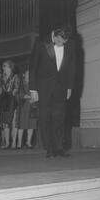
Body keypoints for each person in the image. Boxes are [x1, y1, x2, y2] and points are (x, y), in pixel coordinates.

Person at [29, 23, 76, 158]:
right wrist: (33, 89)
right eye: (59, 40)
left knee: (59, 118)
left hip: (61, 88)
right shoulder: (41, 44)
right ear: (53, 35)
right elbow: (33, 67)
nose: (61, 43)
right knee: (45, 118)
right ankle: (49, 149)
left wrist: (69, 87)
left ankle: (59, 148)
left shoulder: (70, 46)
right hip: (43, 88)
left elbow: (72, 67)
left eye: (64, 41)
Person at [0, 60, 20, 149]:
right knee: (5, 123)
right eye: (3, 66)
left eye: (6, 66)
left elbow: (16, 88)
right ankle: (7, 143)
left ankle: (14, 142)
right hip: (3, 101)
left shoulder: (15, 77)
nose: (4, 68)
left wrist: (10, 93)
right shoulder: (0, 78)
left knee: (14, 122)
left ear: (11, 67)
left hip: (12, 101)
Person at [16, 69, 38, 149]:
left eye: (30, 74)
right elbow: (20, 94)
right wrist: (31, 97)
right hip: (23, 107)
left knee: (31, 125)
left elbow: (39, 94)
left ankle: (28, 142)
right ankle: (19, 143)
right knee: (22, 125)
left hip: (33, 106)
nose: (29, 75)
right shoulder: (21, 84)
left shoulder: (35, 84)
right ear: (24, 75)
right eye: (28, 73)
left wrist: (35, 98)